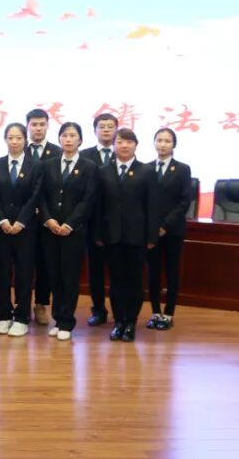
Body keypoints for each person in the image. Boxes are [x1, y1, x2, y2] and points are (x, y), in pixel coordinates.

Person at [95, 128, 158, 343]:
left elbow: (153, 206)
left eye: (129, 142)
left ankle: (131, 322)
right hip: (111, 236)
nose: (124, 146)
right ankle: (118, 322)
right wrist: (98, 233)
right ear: (113, 145)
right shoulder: (103, 171)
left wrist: (151, 236)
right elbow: (98, 206)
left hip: (137, 237)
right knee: (116, 282)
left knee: (134, 282)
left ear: (136, 145)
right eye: (120, 142)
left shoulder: (147, 171)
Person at [40, 122, 98, 342]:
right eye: (65, 135)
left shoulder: (89, 167)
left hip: (73, 232)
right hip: (50, 230)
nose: (68, 139)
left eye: (73, 136)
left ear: (80, 140)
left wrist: (70, 223)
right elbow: (41, 196)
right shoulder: (49, 165)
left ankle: (66, 321)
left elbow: (88, 200)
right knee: (54, 276)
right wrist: (48, 220)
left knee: (69, 277)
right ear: (59, 139)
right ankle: (57, 318)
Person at [0, 122, 43, 338]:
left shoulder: (36, 166)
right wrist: (2, 220)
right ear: (5, 140)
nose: (14, 142)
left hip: (25, 229)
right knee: (3, 272)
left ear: (25, 140)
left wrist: (21, 221)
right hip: (1, 228)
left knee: (24, 273)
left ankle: (21, 317)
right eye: (10, 138)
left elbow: (35, 196)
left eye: (18, 138)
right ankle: (4, 315)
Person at [146, 127, 193, 331]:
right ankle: (155, 312)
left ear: (174, 144)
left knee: (172, 271)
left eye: (167, 141)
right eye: (159, 140)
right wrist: (153, 227)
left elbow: (184, 202)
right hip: (151, 231)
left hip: (173, 230)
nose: (163, 144)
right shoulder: (146, 168)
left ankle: (169, 313)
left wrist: (165, 225)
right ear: (154, 143)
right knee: (153, 272)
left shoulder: (182, 169)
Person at [80, 112, 118, 327]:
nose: (106, 130)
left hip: (117, 225)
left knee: (117, 271)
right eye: (102, 126)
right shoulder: (84, 156)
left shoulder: (124, 154)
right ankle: (98, 310)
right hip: (91, 224)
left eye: (110, 126)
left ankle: (119, 311)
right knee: (95, 272)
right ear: (95, 130)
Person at [25, 108, 61, 326]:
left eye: (42, 124)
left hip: (48, 219)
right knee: (23, 264)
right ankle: (21, 304)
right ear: (27, 126)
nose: (38, 128)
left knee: (45, 264)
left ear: (47, 126)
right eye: (34, 124)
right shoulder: (19, 148)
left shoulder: (57, 151)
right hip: (22, 218)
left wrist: (44, 212)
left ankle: (40, 304)